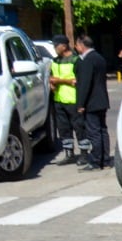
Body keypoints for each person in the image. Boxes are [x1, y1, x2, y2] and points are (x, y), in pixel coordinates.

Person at [72, 35, 109, 170]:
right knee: (102, 131)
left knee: (94, 132)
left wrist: (80, 104)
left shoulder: (87, 60)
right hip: (102, 100)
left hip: (92, 102)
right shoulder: (99, 58)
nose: (76, 48)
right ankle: (105, 160)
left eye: (76, 45)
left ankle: (95, 161)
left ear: (82, 45)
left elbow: (85, 84)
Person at [47, 35, 82, 163]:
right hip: (59, 99)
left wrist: (60, 80)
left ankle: (84, 154)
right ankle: (69, 153)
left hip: (73, 99)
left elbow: (78, 81)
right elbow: (52, 76)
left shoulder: (76, 60)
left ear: (64, 46)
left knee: (79, 127)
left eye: (56, 46)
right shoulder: (55, 61)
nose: (55, 49)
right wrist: (52, 82)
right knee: (63, 129)